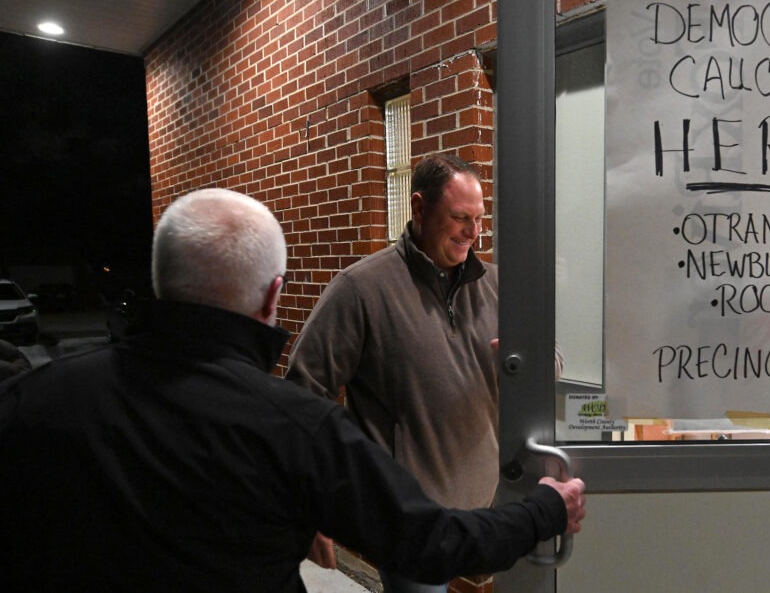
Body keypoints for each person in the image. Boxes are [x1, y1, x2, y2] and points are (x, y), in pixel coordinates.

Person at [0, 188, 585, 591]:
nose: (472, 229)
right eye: (460, 215)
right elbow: (430, 542)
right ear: (273, 294)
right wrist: (544, 511)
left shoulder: (36, 398)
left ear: (161, 279)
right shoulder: (295, 429)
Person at [287, 153, 554, 592]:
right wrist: (313, 504)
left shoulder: (497, 287)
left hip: (486, 508)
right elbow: (303, 393)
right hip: (407, 521)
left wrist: (527, 365)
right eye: (459, 217)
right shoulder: (362, 289)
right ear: (419, 207)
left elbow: (550, 355)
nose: (474, 231)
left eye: (479, 218)